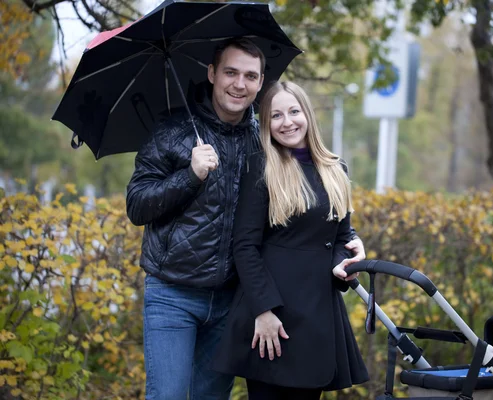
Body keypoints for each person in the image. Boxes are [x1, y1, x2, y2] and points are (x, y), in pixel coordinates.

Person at [126, 38, 366, 400]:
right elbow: (137, 205)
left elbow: (309, 206)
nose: (240, 84)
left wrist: (348, 242)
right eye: (231, 73)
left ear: (260, 82)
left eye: (250, 76)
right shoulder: (173, 132)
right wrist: (189, 175)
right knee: (169, 394)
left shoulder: (265, 138)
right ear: (212, 73)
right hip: (174, 291)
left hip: (231, 297)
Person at [213, 81, 369, 400]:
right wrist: (264, 311)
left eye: (294, 111)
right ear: (267, 124)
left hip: (317, 315)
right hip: (273, 316)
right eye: (276, 115)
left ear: (307, 114)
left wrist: (347, 261)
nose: (288, 122)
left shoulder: (336, 169)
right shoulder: (262, 168)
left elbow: (341, 235)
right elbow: (244, 246)